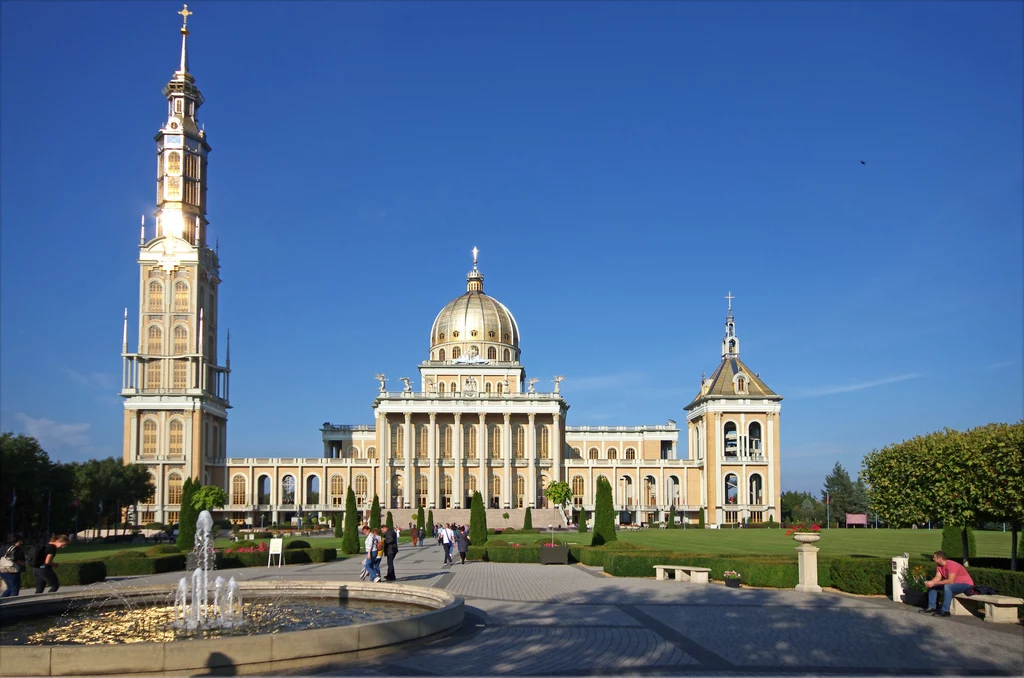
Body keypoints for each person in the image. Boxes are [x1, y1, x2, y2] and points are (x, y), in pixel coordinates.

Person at [922, 550, 974, 617]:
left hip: (966, 585)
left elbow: (950, 581)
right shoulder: (939, 566)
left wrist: (934, 582)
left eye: (934, 558)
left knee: (947, 586)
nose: (933, 559)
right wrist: (931, 582)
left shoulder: (951, 565)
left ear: (940, 559)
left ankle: (946, 611)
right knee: (934, 586)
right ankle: (932, 607)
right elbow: (937, 577)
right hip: (954, 585)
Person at [1, 533, 27, 598]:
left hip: (3, 570)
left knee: (9, 588)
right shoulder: (16, 548)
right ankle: (13, 604)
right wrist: (22, 564)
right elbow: (14, 559)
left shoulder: (3, 547)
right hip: (12, 571)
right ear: (18, 541)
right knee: (15, 589)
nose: (22, 542)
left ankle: (2, 600)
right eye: (21, 541)